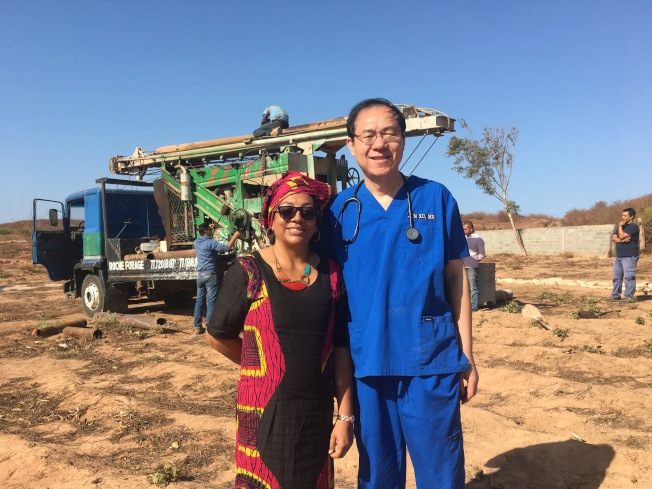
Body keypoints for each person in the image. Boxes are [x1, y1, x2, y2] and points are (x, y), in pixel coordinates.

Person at [322, 98, 479, 488]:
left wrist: (467, 356)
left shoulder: (436, 198)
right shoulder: (338, 211)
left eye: (389, 133)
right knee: (378, 476)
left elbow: (456, 279)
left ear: (403, 140)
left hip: (432, 363)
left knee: (442, 475)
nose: (380, 144)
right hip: (368, 365)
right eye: (368, 135)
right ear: (351, 144)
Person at [206, 172, 354, 488]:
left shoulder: (331, 274)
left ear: (316, 222)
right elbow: (217, 335)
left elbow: (341, 347)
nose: (297, 218)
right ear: (270, 219)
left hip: (315, 414)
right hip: (263, 413)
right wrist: (262, 366)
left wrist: (345, 417)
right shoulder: (248, 271)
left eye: (307, 212)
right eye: (287, 211)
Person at [193, 223, 240, 334]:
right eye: (209, 230)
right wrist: (236, 235)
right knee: (211, 301)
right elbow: (226, 248)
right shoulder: (211, 243)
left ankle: (197, 327)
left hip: (200, 276)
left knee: (199, 301)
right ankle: (209, 326)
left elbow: (205, 238)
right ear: (206, 231)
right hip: (210, 275)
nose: (211, 231)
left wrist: (210, 228)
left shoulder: (196, 242)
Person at [611, 207, 639, 300]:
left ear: (632, 216)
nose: (623, 217)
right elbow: (613, 238)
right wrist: (621, 240)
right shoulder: (623, 226)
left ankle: (628, 297)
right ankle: (615, 296)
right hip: (619, 256)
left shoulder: (633, 227)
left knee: (629, 277)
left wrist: (620, 227)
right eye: (622, 215)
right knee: (616, 277)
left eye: (625, 216)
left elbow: (622, 235)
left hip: (630, 256)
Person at [463, 220, 486, 311]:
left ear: (471, 229)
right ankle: (466, 306)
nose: (463, 231)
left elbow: (482, 254)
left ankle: (474, 307)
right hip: (462, 266)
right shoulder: (463, 238)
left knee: (473, 287)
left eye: (465, 229)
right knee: (464, 287)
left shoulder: (478, 239)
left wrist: (475, 259)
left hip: (472, 267)